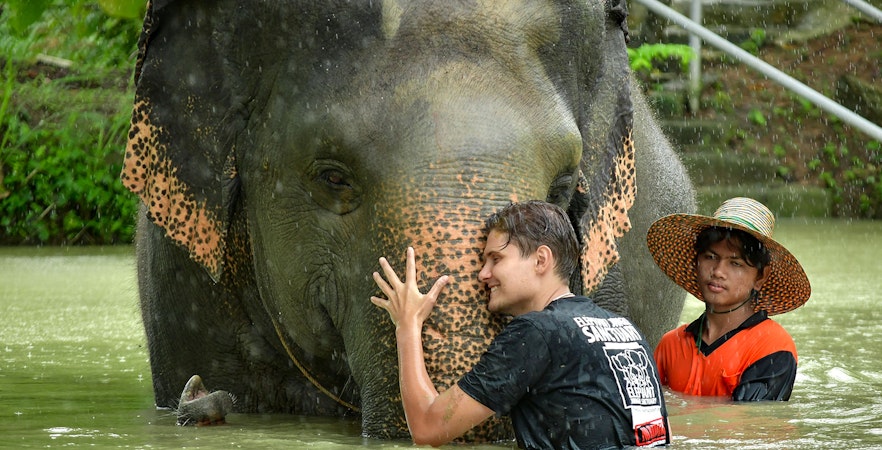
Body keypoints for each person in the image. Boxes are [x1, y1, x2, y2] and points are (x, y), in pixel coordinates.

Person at [371, 200, 670, 449]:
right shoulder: (626, 329)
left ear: (541, 260)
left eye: (495, 259)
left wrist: (408, 324)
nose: (483, 275)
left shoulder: (537, 331)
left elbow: (427, 428)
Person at [647, 197, 812, 401]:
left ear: (761, 276)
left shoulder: (773, 347)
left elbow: (749, 425)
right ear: (696, 262)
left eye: (735, 264)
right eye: (710, 257)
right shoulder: (671, 344)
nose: (718, 271)